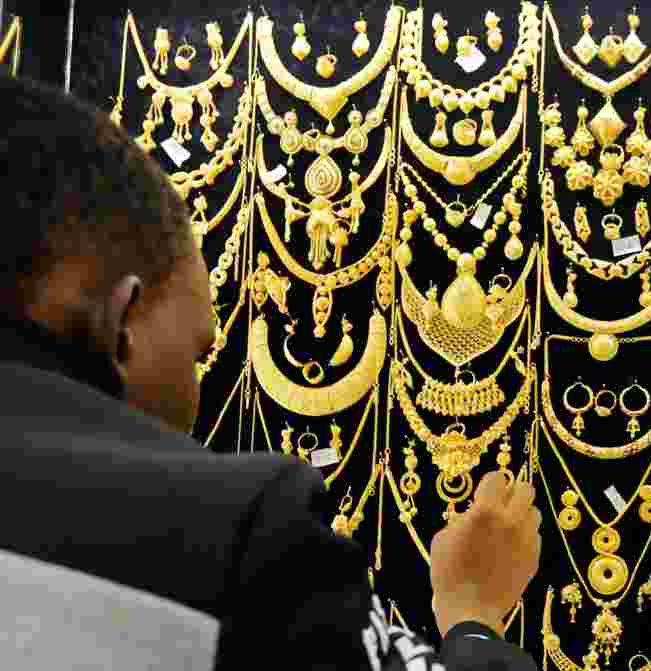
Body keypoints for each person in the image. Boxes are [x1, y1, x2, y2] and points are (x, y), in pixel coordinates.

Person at [0, 75, 542, 670]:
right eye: (196, 353)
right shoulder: (233, 534)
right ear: (122, 324)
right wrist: (474, 614)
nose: (195, 388)